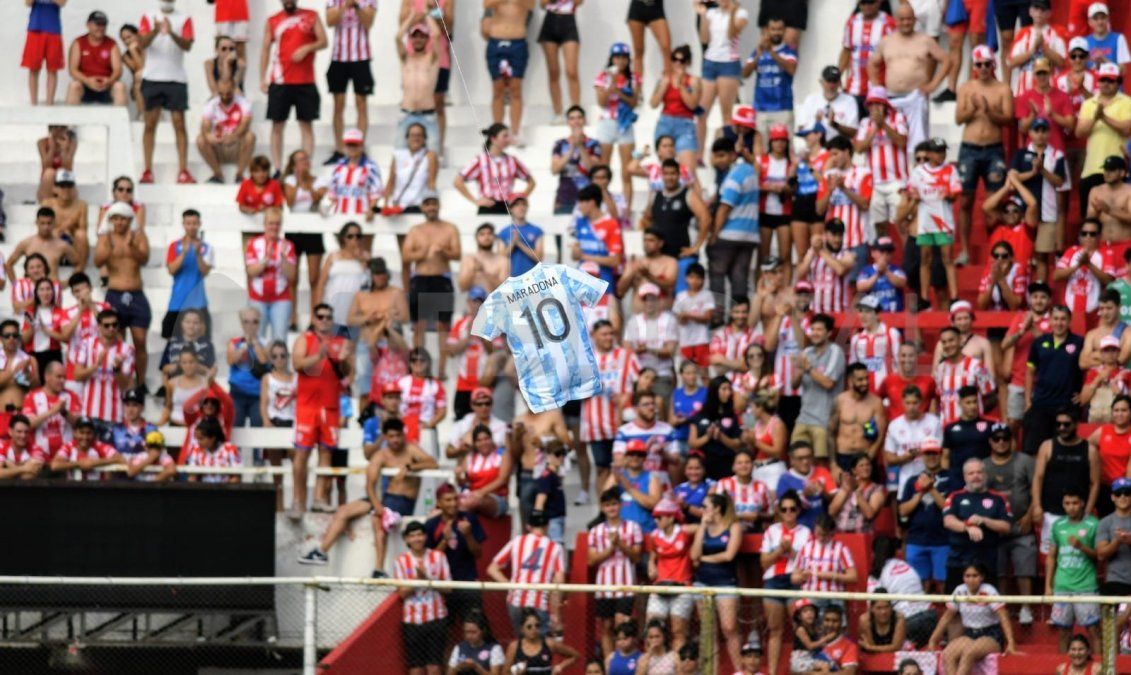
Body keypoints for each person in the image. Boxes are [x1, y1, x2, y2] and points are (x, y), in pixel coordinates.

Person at [952, 45, 1013, 266]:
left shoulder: (1002, 89)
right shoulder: (966, 88)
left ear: (993, 65)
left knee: (994, 202)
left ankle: (995, 250)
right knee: (966, 201)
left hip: (993, 148)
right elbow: (959, 118)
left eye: (987, 64)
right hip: (969, 148)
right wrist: (974, 109)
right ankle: (965, 250)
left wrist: (988, 110)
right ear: (974, 66)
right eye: (979, 65)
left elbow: (1008, 118)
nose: (984, 68)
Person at [292, 303, 352, 514]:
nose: (325, 320)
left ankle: (319, 498)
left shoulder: (341, 342)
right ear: (314, 318)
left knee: (326, 452)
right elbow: (297, 364)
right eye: (320, 316)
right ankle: (298, 500)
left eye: (328, 317)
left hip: (330, 405)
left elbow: (347, 373)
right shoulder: (305, 339)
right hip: (307, 405)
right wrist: (318, 356)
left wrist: (343, 360)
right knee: (302, 453)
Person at [869, 4, 948, 161]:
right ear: (896, 21)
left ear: (914, 20)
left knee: (919, 144)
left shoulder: (925, 40)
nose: (906, 23)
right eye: (902, 19)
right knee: (890, 141)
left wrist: (933, 85)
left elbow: (946, 60)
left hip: (916, 98)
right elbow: (872, 64)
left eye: (909, 19)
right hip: (891, 99)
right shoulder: (886, 42)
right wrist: (877, 87)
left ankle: (918, 176)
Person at [261, 0, 327, 172]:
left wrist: (307, 48)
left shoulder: (311, 16)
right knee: (277, 125)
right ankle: (277, 168)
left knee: (306, 125)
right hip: (280, 80)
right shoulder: (273, 20)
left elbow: (323, 41)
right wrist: (262, 77)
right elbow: (265, 49)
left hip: (305, 80)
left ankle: (304, 168)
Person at [136, 0, 195, 184]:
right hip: (153, 77)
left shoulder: (184, 18)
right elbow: (142, 43)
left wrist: (171, 33)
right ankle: (147, 169)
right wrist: (155, 30)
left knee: (179, 123)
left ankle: (183, 170)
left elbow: (187, 45)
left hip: (176, 77)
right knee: (150, 123)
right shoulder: (148, 16)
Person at [92, 205, 149, 391]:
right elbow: (98, 261)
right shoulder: (105, 238)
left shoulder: (138, 236)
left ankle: (140, 383)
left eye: (123, 219)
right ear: (111, 219)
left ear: (130, 220)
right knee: (117, 339)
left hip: (136, 293)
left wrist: (131, 245)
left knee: (140, 341)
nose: (119, 222)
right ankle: (120, 381)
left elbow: (144, 259)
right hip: (115, 293)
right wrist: (108, 246)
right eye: (116, 218)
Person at [927, 563, 1018, 672]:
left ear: (982, 577)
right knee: (948, 654)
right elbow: (946, 617)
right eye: (967, 576)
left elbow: (1003, 616)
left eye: (975, 576)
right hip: (969, 633)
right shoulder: (959, 591)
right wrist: (933, 640)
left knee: (969, 653)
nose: (971, 579)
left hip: (991, 634)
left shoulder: (989, 591)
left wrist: (1011, 642)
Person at [487, 512, 566, 636]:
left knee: (521, 644)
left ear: (528, 526)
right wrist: (555, 613)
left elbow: (492, 569)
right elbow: (559, 581)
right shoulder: (555, 547)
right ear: (547, 525)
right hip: (540, 602)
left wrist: (511, 586)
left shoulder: (517, 541)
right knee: (540, 645)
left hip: (515, 600)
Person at [588, 487, 644, 658]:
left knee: (622, 625)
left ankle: (624, 661)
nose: (611, 508)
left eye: (614, 504)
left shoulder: (633, 527)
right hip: (604, 586)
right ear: (602, 508)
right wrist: (611, 547)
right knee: (606, 627)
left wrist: (620, 544)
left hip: (625, 585)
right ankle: (609, 664)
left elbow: (636, 557)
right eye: (607, 505)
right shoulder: (595, 531)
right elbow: (591, 560)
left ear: (620, 505)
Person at [691, 492, 744, 670]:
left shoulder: (733, 527)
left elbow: (729, 555)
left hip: (726, 582)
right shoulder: (703, 527)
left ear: (717, 508)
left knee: (729, 628)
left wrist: (704, 559)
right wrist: (701, 527)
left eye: (705, 507)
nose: (702, 510)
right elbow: (693, 555)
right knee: (708, 631)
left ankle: (739, 671)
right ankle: (710, 671)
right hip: (702, 582)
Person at [943, 458, 1013, 590]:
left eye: (979, 472)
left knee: (988, 603)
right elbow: (948, 521)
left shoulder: (998, 498)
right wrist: (967, 527)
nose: (976, 476)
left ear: (985, 475)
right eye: (971, 473)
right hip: (959, 559)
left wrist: (984, 520)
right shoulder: (955, 496)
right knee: (954, 603)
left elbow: (1006, 526)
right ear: (964, 477)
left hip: (987, 561)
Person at [392, 519, 451, 675]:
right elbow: (402, 593)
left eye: (420, 534)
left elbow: (449, 588)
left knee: (435, 667)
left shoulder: (439, 557)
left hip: (437, 618)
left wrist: (428, 580)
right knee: (416, 668)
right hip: (412, 621)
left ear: (425, 536)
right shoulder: (400, 561)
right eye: (412, 536)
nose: (417, 538)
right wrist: (418, 581)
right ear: (407, 539)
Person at [1024, 307, 1086, 455]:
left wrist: (1084, 393)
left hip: (1067, 405)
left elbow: (1089, 368)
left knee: (1064, 450)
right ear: (1050, 321)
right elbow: (1030, 372)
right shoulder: (1039, 342)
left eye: (1063, 319)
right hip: (1041, 404)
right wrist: (1027, 401)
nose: (1059, 323)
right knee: (1035, 449)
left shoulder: (1079, 343)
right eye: (1056, 319)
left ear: (1069, 321)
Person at [1046, 489, 1102, 650]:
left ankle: (1100, 670)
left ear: (1083, 503)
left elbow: (1099, 555)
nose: (1071, 507)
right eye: (1067, 503)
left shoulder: (1093, 524)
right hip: (1062, 586)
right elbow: (1051, 556)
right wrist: (1048, 586)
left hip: (1086, 586)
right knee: (1064, 632)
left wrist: (1081, 547)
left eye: (1075, 503)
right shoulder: (1057, 525)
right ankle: (1064, 670)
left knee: (1094, 631)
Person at [324, 0, 375, 164]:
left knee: (361, 103)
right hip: (339, 57)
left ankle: (360, 147)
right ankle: (339, 149)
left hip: (361, 57)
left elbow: (368, 23)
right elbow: (330, 21)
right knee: (338, 104)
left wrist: (357, 5)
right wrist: (345, 5)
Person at [696, 0, 748, 161]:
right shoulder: (712, 14)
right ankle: (699, 155)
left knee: (726, 113)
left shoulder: (741, 14)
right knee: (701, 112)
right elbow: (704, 39)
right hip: (710, 61)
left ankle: (727, 154)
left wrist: (731, 13)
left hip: (729, 63)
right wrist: (703, 15)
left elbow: (731, 35)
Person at [1075, 64, 1131, 215]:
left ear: (1118, 83)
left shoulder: (1127, 102)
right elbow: (1079, 132)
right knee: (1090, 221)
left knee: (1118, 218)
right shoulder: (1088, 103)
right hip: (1091, 169)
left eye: (1110, 80)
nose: (1105, 83)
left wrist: (1103, 117)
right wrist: (1095, 117)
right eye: (1102, 80)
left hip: (1119, 171)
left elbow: (1127, 129)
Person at [790, 314, 845, 463]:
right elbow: (794, 385)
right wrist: (800, 371)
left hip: (823, 420)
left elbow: (828, 383)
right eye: (813, 329)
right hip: (803, 417)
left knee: (821, 463)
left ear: (828, 333)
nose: (815, 333)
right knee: (796, 460)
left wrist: (808, 369)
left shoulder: (835, 352)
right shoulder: (806, 352)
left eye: (819, 329)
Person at [869, 537, 937, 647]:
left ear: (873, 553)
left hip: (909, 623)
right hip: (931, 616)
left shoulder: (876, 574)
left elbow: (871, 607)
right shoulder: (906, 565)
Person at [454, 123, 535, 214]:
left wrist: (518, 199)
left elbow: (531, 182)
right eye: (505, 136)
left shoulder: (512, 160)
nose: (508, 139)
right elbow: (458, 181)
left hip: (507, 206)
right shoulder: (480, 160)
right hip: (488, 205)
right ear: (493, 139)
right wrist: (475, 201)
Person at [484, 0, 534, 143]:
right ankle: (497, 132)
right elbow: (486, 5)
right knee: (497, 89)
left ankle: (515, 132)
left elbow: (531, 5)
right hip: (496, 42)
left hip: (517, 42)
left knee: (515, 89)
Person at [244, 208, 297, 343]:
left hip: (281, 298)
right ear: (264, 224)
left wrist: (283, 258)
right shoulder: (254, 244)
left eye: (277, 223)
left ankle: (278, 365)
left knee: (280, 339)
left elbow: (291, 275)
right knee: (256, 339)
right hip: (257, 298)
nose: (274, 227)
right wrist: (266, 260)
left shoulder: (288, 246)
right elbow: (250, 271)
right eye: (271, 223)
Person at [163, 209, 214, 340]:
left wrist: (197, 254)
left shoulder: (207, 247)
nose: (191, 227)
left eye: (194, 223)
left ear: (199, 224)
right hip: (177, 301)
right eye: (188, 223)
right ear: (183, 224)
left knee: (202, 342)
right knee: (171, 341)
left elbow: (205, 272)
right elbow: (171, 270)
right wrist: (184, 253)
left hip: (199, 302)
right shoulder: (174, 246)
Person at [395, 15, 442, 157]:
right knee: (400, 155)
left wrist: (426, 16)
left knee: (432, 155)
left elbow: (438, 35)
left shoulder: (432, 58)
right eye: (415, 36)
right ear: (410, 39)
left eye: (422, 36)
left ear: (427, 39)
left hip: (427, 114)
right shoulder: (405, 58)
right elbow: (398, 37)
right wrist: (411, 17)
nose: (418, 39)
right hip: (406, 112)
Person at [649, 46, 701, 174]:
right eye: (674, 59)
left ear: (688, 63)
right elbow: (653, 103)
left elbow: (693, 105)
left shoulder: (693, 81)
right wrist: (664, 85)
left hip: (685, 124)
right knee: (666, 169)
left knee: (688, 171)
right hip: (665, 122)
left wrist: (681, 85)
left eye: (682, 61)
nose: (677, 63)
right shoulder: (664, 79)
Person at [313, 222, 370, 337]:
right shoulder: (333, 256)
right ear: (343, 238)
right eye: (350, 236)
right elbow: (321, 284)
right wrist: (317, 311)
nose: (354, 239)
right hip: (332, 311)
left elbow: (368, 283)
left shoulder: (366, 257)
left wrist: (361, 260)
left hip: (355, 313)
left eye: (358, 236)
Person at [830, 363, 886, 474]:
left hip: (865, 457)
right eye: (860, 380)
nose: (865, 383)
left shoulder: (876, 402)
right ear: (850, 381)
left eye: (866, 378)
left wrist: (869, 457)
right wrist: (833, 464)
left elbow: (881, 434)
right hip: (843, 457)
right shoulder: (840, 401)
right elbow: (831, 433)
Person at [1055, 219, 1117, 318]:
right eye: (1084, 233)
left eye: (1092, 234)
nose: (1088, 237)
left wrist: (1088, 264)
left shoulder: (1106, 253)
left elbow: (1108, 280)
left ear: (1099, 236)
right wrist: (1078, 265)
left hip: (1096, 311)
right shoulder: (1072, 251)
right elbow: (1056, 276)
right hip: (1070, 309)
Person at [197, 78, 255, 184]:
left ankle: (240, 175)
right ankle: (217, 174)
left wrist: (234, 136)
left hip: (236, 146)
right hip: (218, 146)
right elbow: (204, 125)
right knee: (201, 139)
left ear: (233, 89)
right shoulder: (211, 104)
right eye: (221, 93)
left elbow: (245, 124)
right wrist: (208, 135)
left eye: (228, 93)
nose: (224, 96)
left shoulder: (243, 103)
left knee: (250, 136)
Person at [66, 11, 127, 106]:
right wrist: (88, 81)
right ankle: (68, 120)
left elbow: (118, 70)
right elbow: (72, 70)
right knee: (74, 86)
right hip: (85, 85)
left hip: (106, 86)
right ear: (88, 25)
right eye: (97, 24)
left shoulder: (112, 44)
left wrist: (109, 81)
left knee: (119, 86)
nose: (100, 28)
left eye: (103, 25)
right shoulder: (78, 42)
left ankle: (119, 120)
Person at [840, 0, 895, 105]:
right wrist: (839, 76)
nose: (866, 6)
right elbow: (846, 51)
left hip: (879, 89)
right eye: (863, 3)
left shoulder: (889, 23)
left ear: (879, 2)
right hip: (854, 88)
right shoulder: (852, 22)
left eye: (870, 2)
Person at [538, 0, 581, 124]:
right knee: (553, 72)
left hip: (568, 21)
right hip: (550, 22)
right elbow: (542, 4)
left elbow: (579, 2)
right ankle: (558, 112)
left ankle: (576, 110)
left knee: (572, 71)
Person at [8, 208, 78, 282]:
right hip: (30, 289)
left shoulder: (62, 245)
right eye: (42, 223)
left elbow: (78, 264)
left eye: (49, 223)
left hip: (52, 289)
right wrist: (16, 285)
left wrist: (67, 283)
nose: (46, 227)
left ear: (54, 223)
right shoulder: (26, 243)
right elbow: (9, 264)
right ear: (36, 222)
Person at [848, 295, 902, 393]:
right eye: (860, 311)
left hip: (888, 392)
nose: (863, 315)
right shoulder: (856, 339)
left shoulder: (891, 334)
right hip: (863, 393)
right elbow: (853, 368)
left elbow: (899, 363)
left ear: (877, 315)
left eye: (868, 311)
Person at [501, 608, 579, 674]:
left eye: (537, 625)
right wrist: (516, 672)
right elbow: (504, 673)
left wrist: (559, 667)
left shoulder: (549, 643)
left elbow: (575, 655)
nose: (534, 629)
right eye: (529, 627)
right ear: (522, 629)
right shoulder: (514, 646)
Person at [21, 0, 64, 106]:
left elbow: (62, 3)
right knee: (33, 68)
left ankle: (49, 104)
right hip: (35, 28)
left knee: (53, 69)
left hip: (53, 29)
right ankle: (33, 104)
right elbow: (27, 3)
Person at [181, 416, 241, 484]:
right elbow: (192, 477)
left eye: (201, 439)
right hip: (203, 489)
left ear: (213, 438)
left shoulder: (230, 449)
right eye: (197, 439)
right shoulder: (196, 449)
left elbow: (237, 478)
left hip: (226, 490)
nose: (198, 442)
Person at [1097, 476, 1131, 596]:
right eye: (1118, 493)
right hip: (1114, 582)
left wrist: (1129, 541)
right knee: (1110, 615)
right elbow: (1101, 555)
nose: (1123, 497)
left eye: (1127, 493)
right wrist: (1117, 542)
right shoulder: (1105, 522)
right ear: (1112, 497)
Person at [1087, 156, 1131, 246]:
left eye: (1111, 170)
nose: (1107, 173)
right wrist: (1096, 212)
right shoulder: (1095, 191)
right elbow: (1089, 220)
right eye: (1105, 169)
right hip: (1102, 243)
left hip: (1125, 244)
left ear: (1122, 173)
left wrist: (1109, 210)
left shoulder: (1129, 191)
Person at [626, 0, 671, 79]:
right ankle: (637, 87)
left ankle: (668, 83)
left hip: (656, 8)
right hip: (637, 7)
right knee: (638, 51)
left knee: (666, 48)